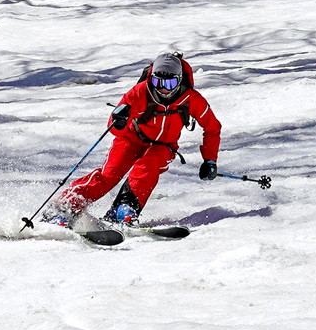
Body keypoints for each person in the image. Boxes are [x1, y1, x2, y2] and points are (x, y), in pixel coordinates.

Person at [45, 50, 221, 227]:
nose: (162, 88)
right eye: (157, 82)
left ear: (179, 79)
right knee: (109, 175)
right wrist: (119, 119)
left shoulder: (191, 99)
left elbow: (212, 127)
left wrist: (210, 161)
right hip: (130, 139)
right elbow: (112, 125)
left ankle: (124, 209)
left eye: (170, 83)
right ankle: (65, 206)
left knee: (147, 167)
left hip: (163, 146)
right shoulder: (141, 92)